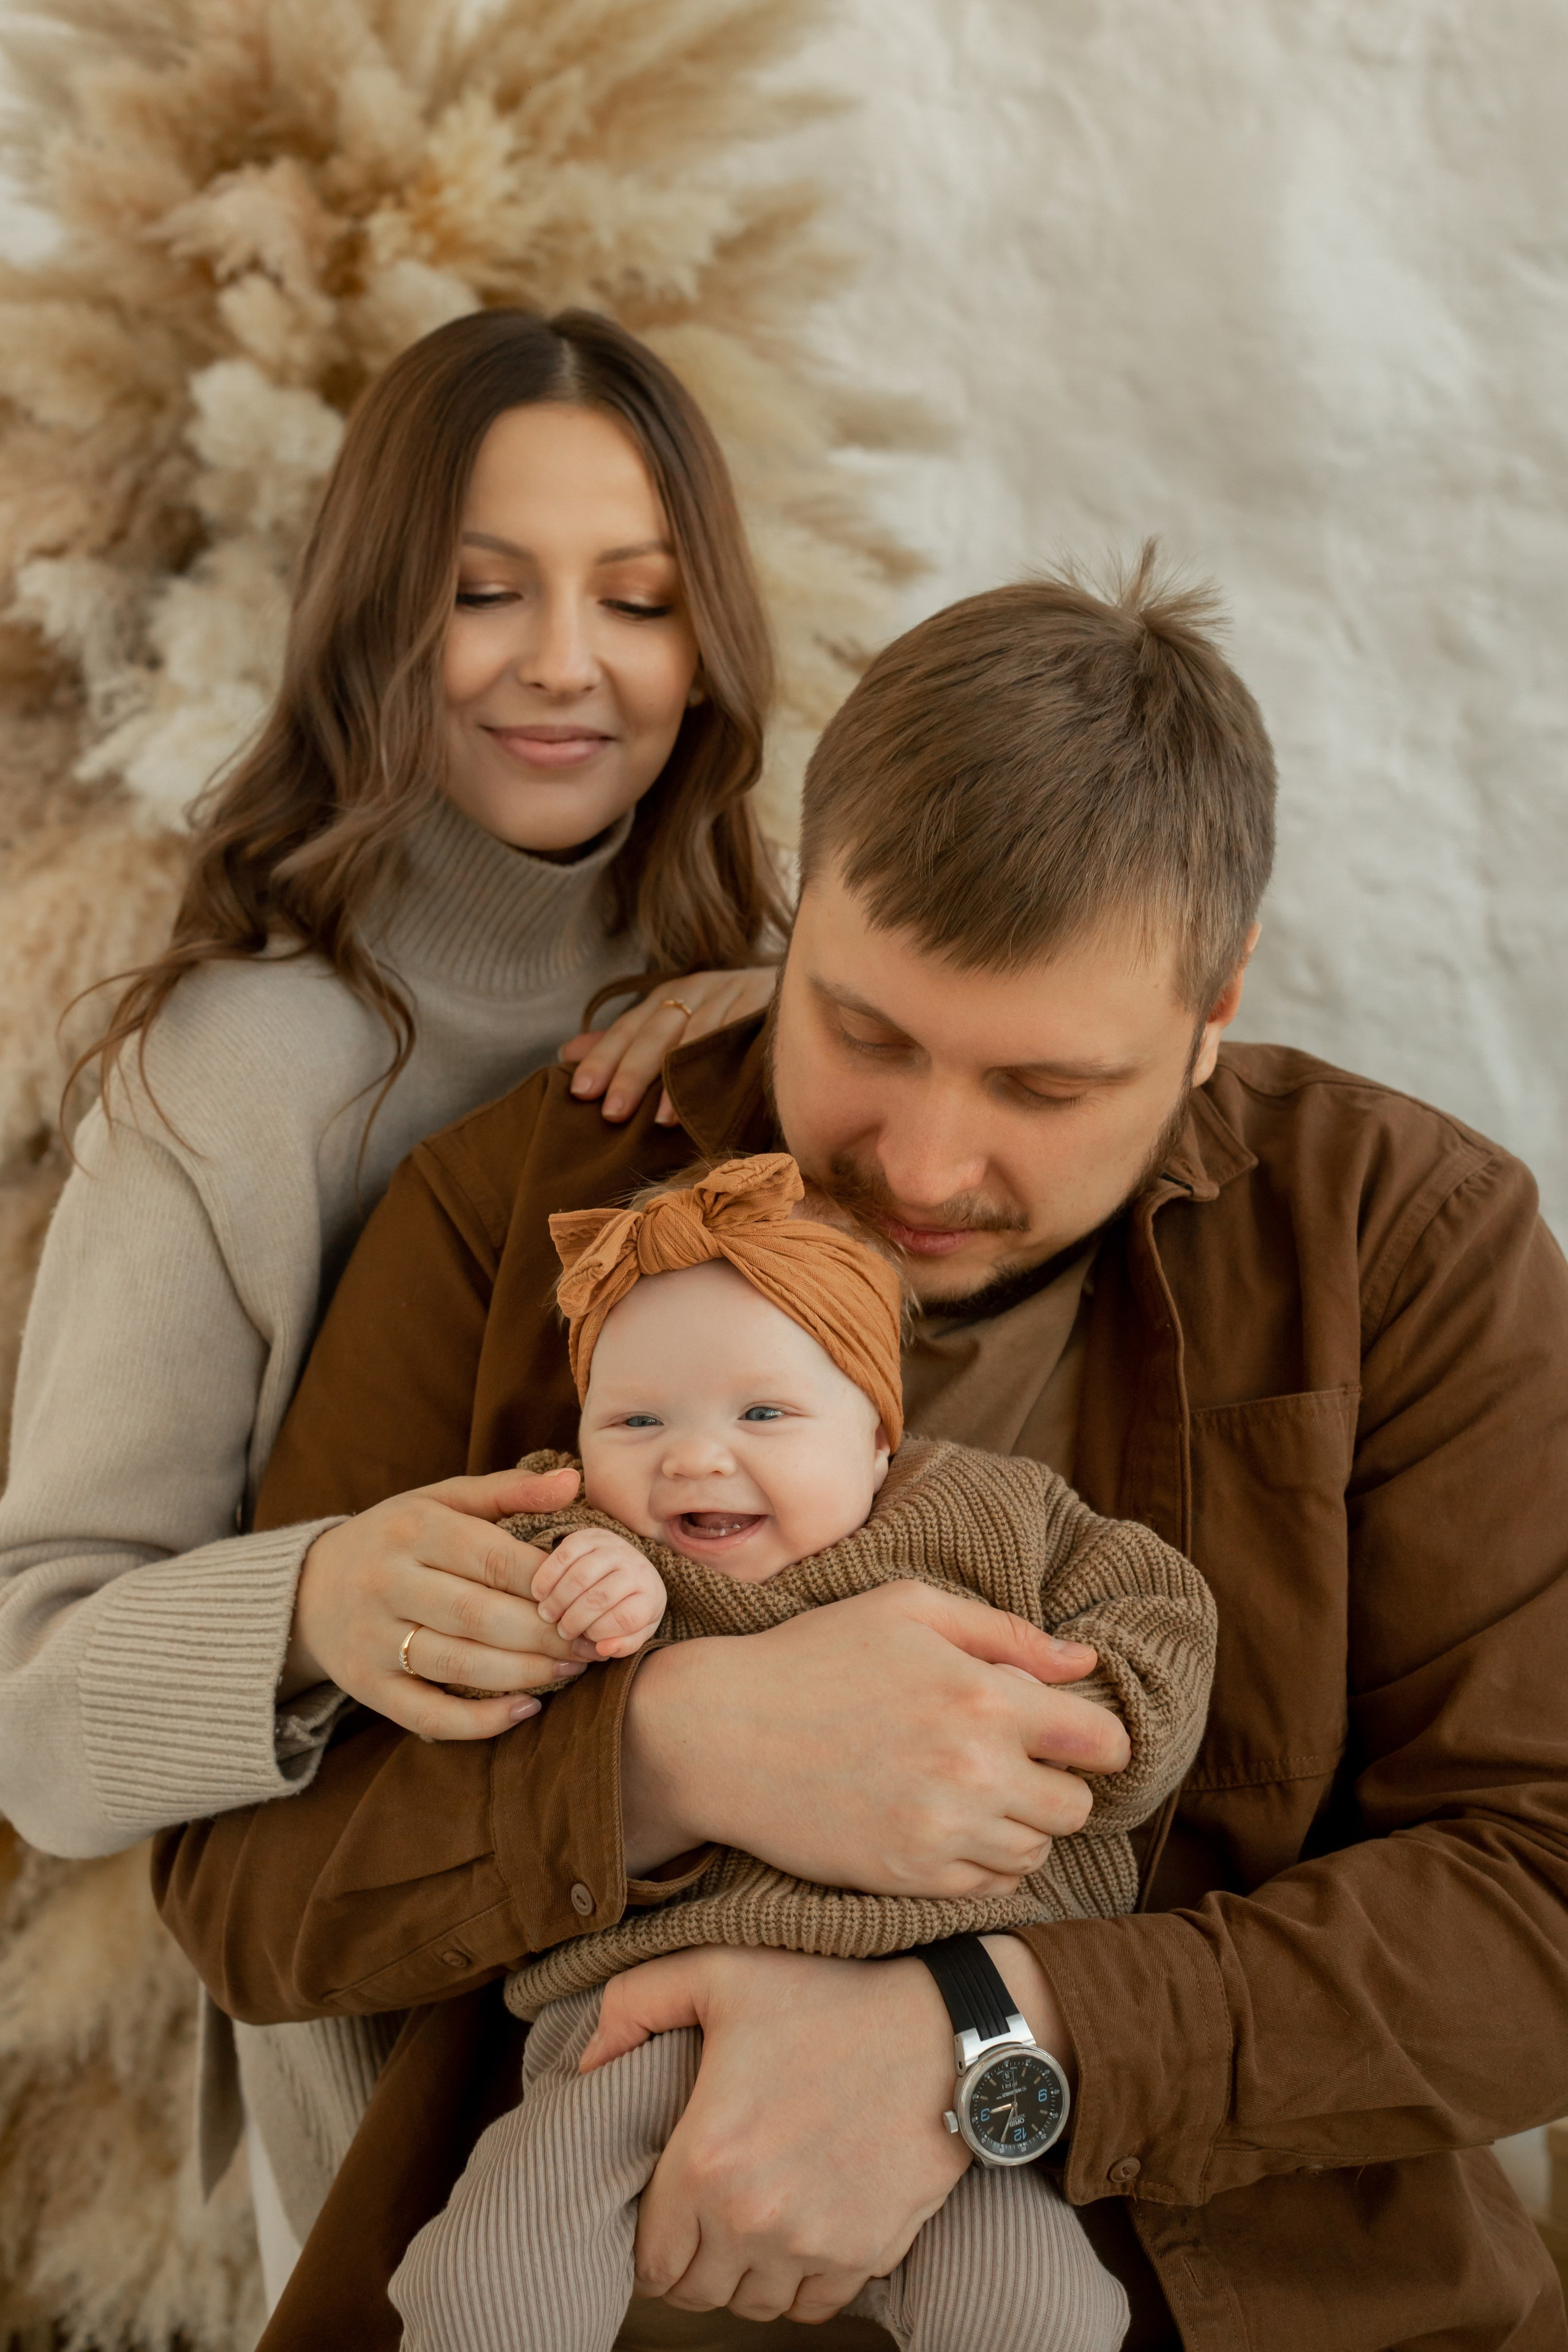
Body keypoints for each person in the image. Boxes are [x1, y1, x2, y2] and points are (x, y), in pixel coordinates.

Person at [156, 557, 1568, 2352]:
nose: (921, 1162)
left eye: (1044, 1091)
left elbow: (1542, 1898)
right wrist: (663, 1761)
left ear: (1218, 1009)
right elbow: (246, 1896)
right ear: (796, 920)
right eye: (863, 1030)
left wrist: (991, 2031)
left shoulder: (1404, 1244)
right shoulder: (532, 1206)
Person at [0, 304, 787, 2294]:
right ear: (374, 616)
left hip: (765, 2038)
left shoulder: (768, 1002)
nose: (564, 663)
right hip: (398, 2102)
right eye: (484, 591)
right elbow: (40, 1706)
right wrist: (318, 1603)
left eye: (636, 596)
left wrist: (823, 1031)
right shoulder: (245, 1070)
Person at [389, 1150, 1215, 2352]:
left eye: (763, 1413)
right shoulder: (585, 1529)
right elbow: (476, 1662)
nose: (693, 1456)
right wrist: (578, 1591)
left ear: (877, 1436)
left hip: (928, 2028)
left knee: (1039, 2306)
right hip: (639, 2011)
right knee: (492, 2276)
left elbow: (1154, 1604)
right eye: (634, 1419)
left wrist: (1089, 1722)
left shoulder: (991, 1517)